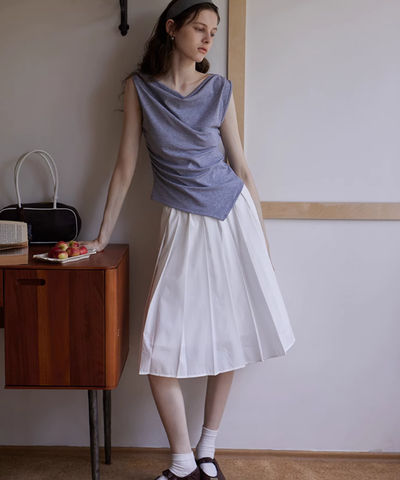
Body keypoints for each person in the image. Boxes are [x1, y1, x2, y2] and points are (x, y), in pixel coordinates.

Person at [81, 1, 296, 479]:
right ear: (172, 28)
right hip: (181, 220)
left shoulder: (219, 89)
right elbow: (125, 166)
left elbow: (241, 166)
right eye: (200, 28)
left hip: (231, 215)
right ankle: (181, 462)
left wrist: (262, 242)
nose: (207, 39)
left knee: (231, 335)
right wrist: (101, 236)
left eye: (213, 31)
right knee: (159, 344)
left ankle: (205, 451)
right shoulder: (139, 89)